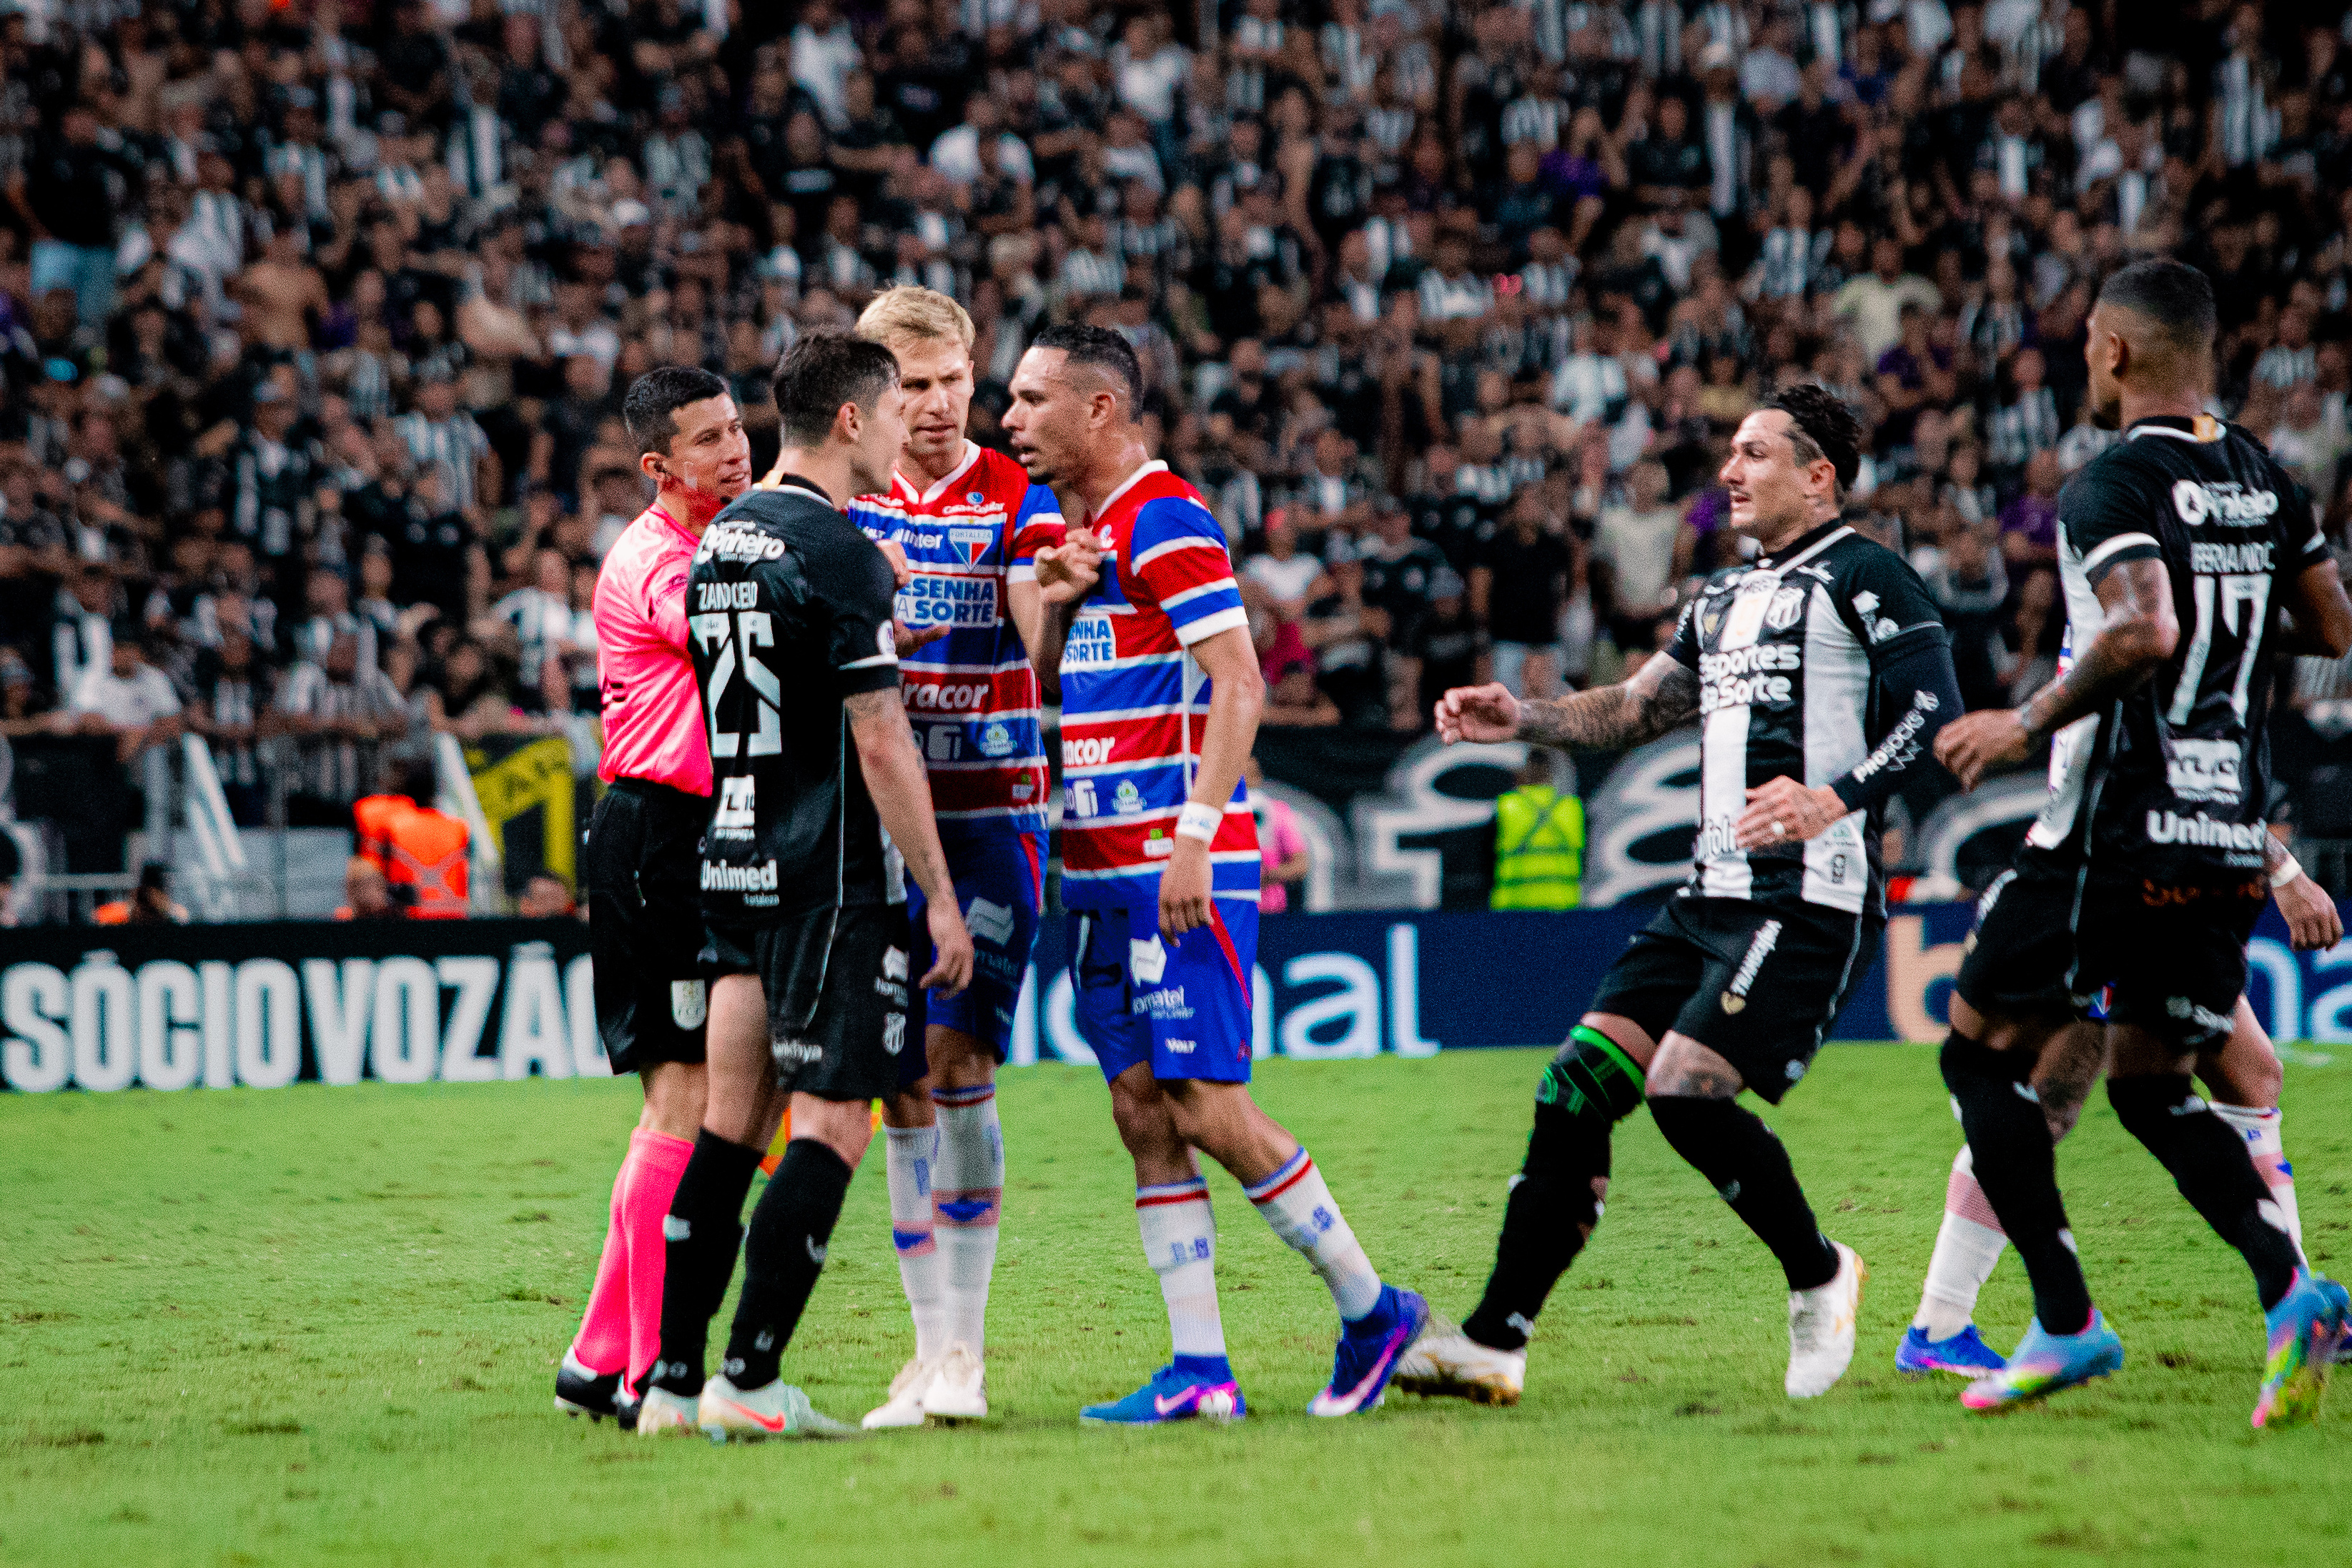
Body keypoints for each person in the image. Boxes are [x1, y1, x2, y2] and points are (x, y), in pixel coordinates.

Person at [1401, 385, 1963, 1406]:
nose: (1728, 472)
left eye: (1753, 454)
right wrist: (1519, 716)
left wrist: (1830, 798)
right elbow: (1632, 705)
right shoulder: (1718, 597)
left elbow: (1933, 708)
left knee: (1684, 1087)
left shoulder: (1865, 573)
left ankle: (1819, 1270)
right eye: (1729, 453)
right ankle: (1492, 1340)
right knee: (1574, 1086)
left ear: (1817, 475)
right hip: (1705, 897)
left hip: (1808, 899)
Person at [1927, 259, 2352, 1424]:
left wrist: (2023, 720)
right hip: (2228, 831)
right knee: (2156, 1086)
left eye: (2086, 349)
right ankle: (2291, 1290)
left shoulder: (2109, 483)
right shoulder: (2270, 479)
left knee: (1978, 1056)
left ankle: (2063, 1318)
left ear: (2114, 350)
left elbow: (2144, 624)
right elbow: (2330, 622)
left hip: (2116, 824)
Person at [1013, 323, 1427, 1424]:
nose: (1009, 421)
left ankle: (1370, 1307)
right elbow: (1049, 684)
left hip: (1170, 863)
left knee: (1205, 1100)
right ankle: (1200, 1369)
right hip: (1095, 866)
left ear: (1098, 408)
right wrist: (1055, 597)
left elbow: (1239, 684)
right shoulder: (1078, 529)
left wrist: (1197, 832)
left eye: (1028, 400)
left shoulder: (1167, 516)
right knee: (1140, 1107)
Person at [638, 333, 974, 1441]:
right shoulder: (838, 550)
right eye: (891, 417)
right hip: (827, 873)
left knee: (729, 1128)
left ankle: (672, 1386)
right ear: (847, 421)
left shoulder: (722, 538)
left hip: (731, 854)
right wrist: (934, 893)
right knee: (832, 1122)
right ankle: (753, 1375)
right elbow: (879, 738)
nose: (904, 439)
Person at [837, 287, 1067, 1429]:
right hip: (866, 822)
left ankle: (964, 1353)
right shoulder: (843, 501)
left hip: (987, 818)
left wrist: (1051, 615)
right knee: (895, 1081)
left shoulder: (1015, 498)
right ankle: (927, 1352)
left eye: (951, 382)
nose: (935, 406)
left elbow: (1034, 620)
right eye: (912, 385)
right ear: (871, 387)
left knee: (954, 1058)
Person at [557, 366, 755, 1429]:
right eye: (708, 439)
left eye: (737, 428)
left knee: (695, 1105)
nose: (734, 449)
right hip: (655, 838)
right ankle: (641, 1366)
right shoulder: (658, 560)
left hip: (690, 836)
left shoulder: (716, 538)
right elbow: (729, 628)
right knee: (680, 1104)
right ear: (656, 466)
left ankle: (597, 1358)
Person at [1489, 752, 1583, 910]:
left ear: (1524, 772)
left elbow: (1486, 859)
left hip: (1514, 906)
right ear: (1552, 774)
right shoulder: (1572, 807)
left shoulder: (1507, 805)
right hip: (1563, 905)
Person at [1246, 757, 1310, 914]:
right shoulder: (1215, 814)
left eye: (1250, 773)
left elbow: (1300, 865)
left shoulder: (1278, 812)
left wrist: (1269, 875)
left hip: (1270, 913)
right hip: (1229, 912)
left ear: (1258, 777)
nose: (1244, 778)